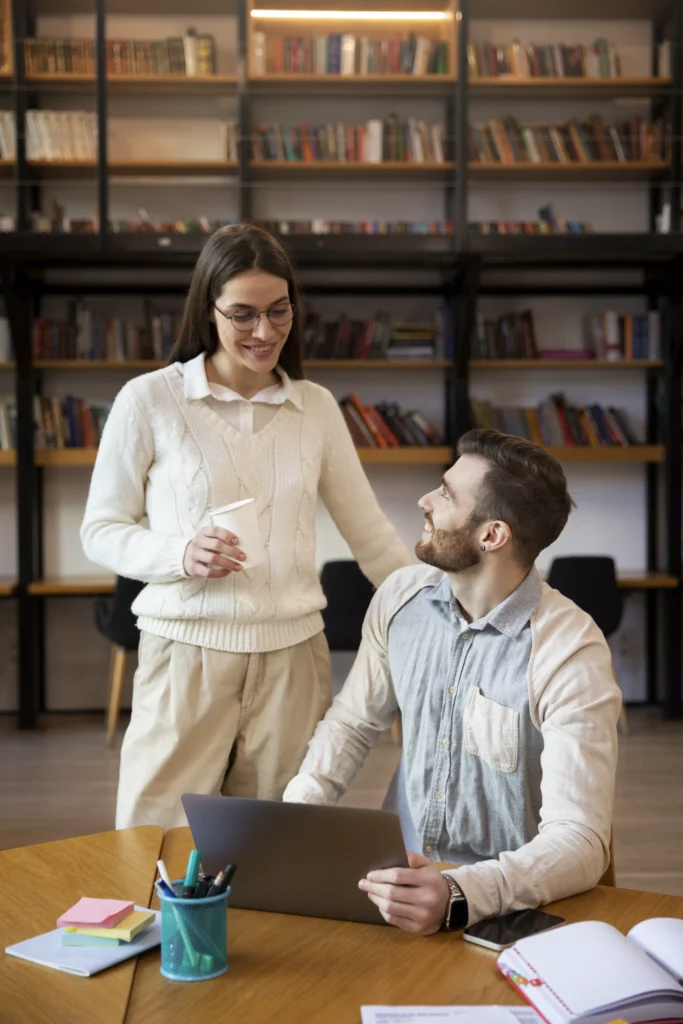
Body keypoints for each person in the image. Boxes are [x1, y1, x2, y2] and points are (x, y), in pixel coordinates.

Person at [81, 224, 413, 831]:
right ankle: (168, 933)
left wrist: (444, 606)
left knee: (276, 842)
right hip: (186, 653)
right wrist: (181, 552)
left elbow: (372, 535)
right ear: (207, 310)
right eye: (243, 314)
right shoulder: (150, 400)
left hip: (294, 659)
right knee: (155, 840)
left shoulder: (315, 408)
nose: (265, 332)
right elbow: (100, 530)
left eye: (279, 311)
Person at [284, 429, 622, 934]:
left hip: (511, 909)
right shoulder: (400, 598)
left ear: (492, 536)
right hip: (399, 887)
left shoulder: (569, 649)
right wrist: (297, 817)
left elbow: (580, 840)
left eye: (445, 494)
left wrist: (460, 892)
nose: (425, 501)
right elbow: (354, 721)